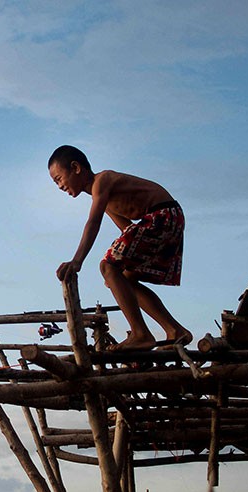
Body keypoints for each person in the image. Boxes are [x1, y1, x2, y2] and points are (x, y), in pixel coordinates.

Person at [48, 145, 192, 350]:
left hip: (162, 215)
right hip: (169, 218)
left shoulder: (102, 181)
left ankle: (141, 334)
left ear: (76, 168)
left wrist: (77, 261)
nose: (59, 186)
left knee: (106, 266)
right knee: (122, 277)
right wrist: (117, 278)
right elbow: (128, 231)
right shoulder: (104, 198)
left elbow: (93, 223)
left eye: (59, 179)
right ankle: (175, 330)